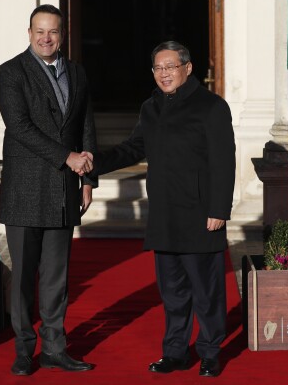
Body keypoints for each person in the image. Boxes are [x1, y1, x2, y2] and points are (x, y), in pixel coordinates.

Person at [93, 41, 236, 377]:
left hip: (202, 214)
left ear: (187, 67)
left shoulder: (212, 107)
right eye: (158, 67)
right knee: (172, 293)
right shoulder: (151, 108)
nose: (164, 73)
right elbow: (132, 149)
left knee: (207, 292)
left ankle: (211, 352)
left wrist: (219, 209)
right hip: (164, 214)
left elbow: (223, 162)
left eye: (170, 66)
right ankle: (175, 352)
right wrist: (93, 163)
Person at [0, 4, 97, 376]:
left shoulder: (77, 72)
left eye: (53, 31)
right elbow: (19, 127)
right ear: (29, 32)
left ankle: (55, 348)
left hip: (64, 191)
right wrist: (67, 158)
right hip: (25, 190)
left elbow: (85, 123)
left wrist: (87, 177)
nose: (46, 38)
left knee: (56, 278)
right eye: (40, 31)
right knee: (23, 278)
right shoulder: (10, 72)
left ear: (62, 35)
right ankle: (24, 351)